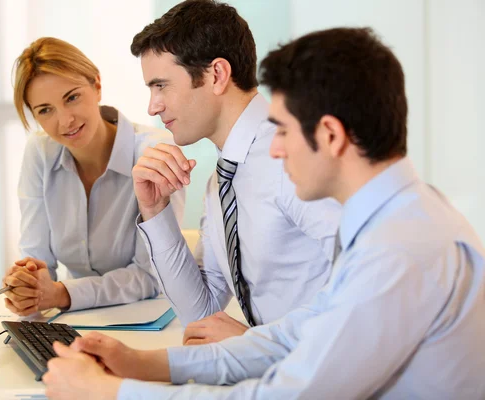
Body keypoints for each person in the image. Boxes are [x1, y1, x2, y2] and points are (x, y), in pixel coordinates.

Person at [41, 27, 485, 399]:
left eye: (285, 130)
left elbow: (285, 395)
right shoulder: (397, 222)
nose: (275, 147)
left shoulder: (399, 250)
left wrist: (112, 393)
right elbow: (300, 332)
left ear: (329, 136)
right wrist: (145, 363)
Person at [130, 0, 340, 344]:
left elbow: (370, 287)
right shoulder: (222, 179)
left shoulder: (293, 155)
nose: (153, 106)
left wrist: (260, 343)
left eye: (161, 85)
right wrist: (155, 211)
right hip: (278, 373)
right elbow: (201, 315)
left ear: (217, 75)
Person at [2, 37, 185, 316]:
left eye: (72, 97)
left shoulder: (153, 153)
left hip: (146, 317)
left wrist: (62, 294)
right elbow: (38, 259)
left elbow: (150, 276)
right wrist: (27, 286)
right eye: (45, 110)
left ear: (97, 85)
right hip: (76, 319)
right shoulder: (39, 153)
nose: (65, 121)